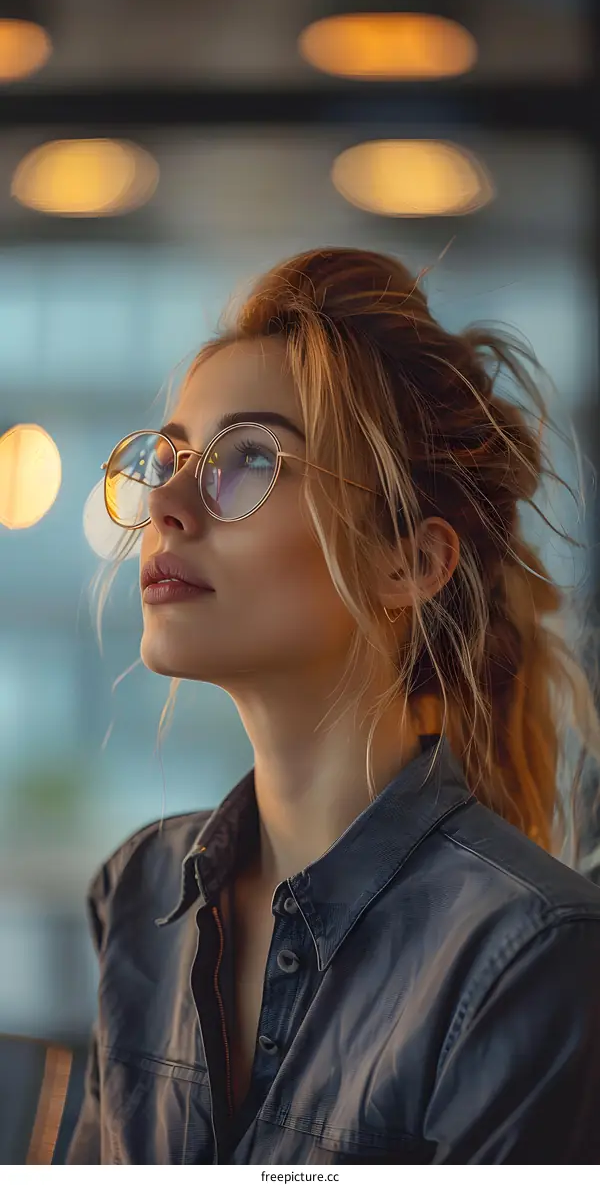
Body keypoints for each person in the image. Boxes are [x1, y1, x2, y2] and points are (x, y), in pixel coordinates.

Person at [66, 246, 600, 1165]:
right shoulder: (141, 894)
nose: (167, 503)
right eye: (173, 458)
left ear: (411, 563)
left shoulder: (529, 957)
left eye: (247, 460)